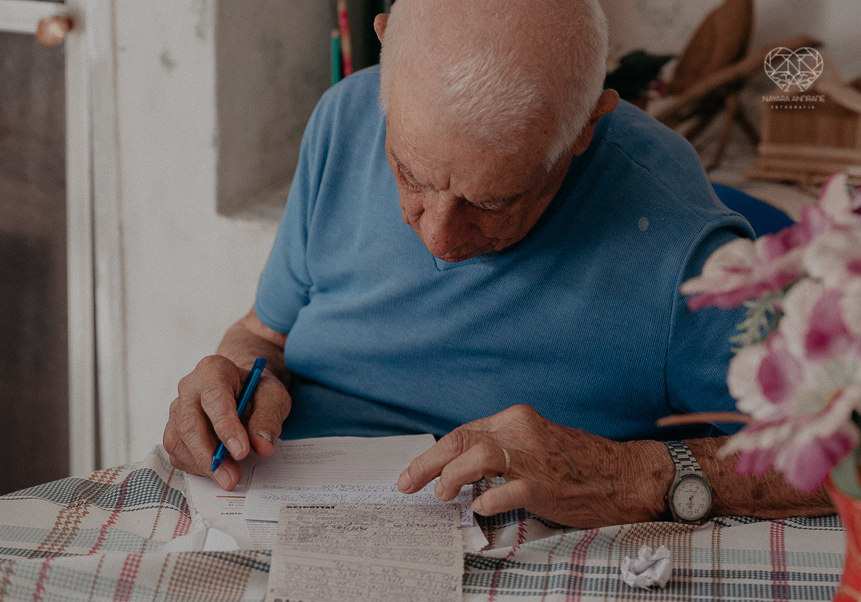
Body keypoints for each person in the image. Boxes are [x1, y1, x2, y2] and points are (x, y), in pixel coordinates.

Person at [163, 0, 832, 528]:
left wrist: (628, 476)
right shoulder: (345, 119)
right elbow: (265, 334)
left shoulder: (679, 246)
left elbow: (844, 448)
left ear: (584, 131)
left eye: (493, 201)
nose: (440, 238)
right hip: (266, 521)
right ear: (384, 43)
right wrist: (234, 382)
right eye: (409, 175)